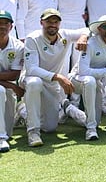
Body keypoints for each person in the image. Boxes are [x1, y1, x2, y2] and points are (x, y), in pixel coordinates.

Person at [22, 8, 88, 147]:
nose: (52, 25)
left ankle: (23, 110)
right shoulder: (32, 38)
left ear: (59, 24)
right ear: (41, 23)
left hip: (51, 83)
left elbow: (87, 30)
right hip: (30, 78)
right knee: (35, 83)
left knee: (50, 127)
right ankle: (33, 132)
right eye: (48, 22)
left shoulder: (64, 35)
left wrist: (83, 37)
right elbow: (32, 68)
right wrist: (59, 77)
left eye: (55, 22)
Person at [70, 15, 106, 140]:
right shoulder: (90, 44)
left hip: (95, 83)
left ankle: (69, 108)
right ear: (99, 29)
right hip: (77, 80)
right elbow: (84, 72)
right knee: (89, 80)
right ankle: (91, 130)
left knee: (96, 119)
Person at [0, 11, 24, 152]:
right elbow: (10, 79)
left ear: (11, 26)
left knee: (10, 133)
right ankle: (1, 138)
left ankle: (20, 111)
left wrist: (11, 85)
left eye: (5, 23)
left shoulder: (18, 47)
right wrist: (11, 86)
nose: (2, 26)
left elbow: (15, 74)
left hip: (9, 87)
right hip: (6, 87)